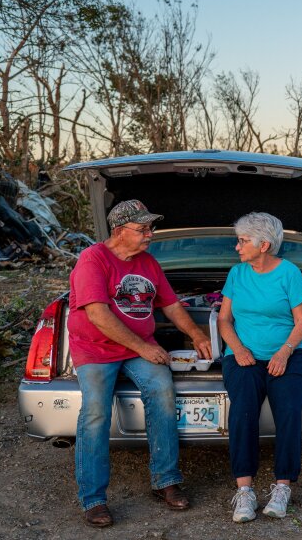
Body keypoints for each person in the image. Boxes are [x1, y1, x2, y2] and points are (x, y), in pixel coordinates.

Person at [68, 199, 212, 528]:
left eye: (151, 228)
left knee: (162, 390)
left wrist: (196, 335)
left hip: (137, 347)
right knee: (95, 412)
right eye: (143, 229)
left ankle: (166, 480)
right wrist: (144, 348)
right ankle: (93, 498)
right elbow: (97, 315)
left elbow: (172, 304)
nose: (150, 234)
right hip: (96, 348)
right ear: (119, 231)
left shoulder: (148, 262)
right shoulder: (93, 259)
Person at [217, 212, 302, 523]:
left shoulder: (289, 274)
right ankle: (244, 491)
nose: (237, 247)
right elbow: (223, 320)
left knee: (288, 410)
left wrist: (284, 353)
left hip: (288, 353)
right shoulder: (237, 273)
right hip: (243, 355)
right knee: (243, 410)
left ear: (264, 245)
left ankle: (282, 487)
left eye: (243, 241)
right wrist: (239, 349)